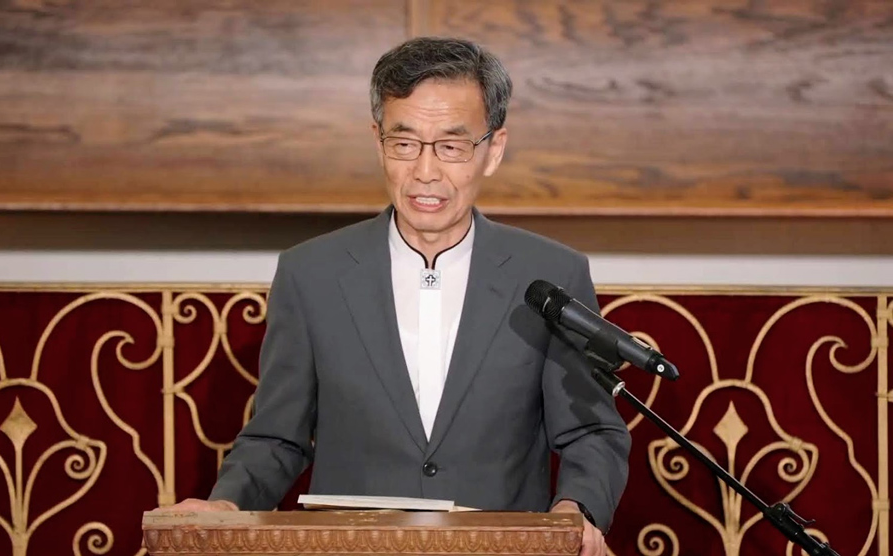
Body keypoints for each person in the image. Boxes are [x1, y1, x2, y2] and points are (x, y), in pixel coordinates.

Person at [160, 37, 630, 556]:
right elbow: (277, 437)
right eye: (404, 144)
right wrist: (227, 506)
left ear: (493, 150)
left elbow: (591, 431)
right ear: (377, 140)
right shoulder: (311, 274)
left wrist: (575, 511)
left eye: (451, 146)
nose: (425, 172)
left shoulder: (550, 275)